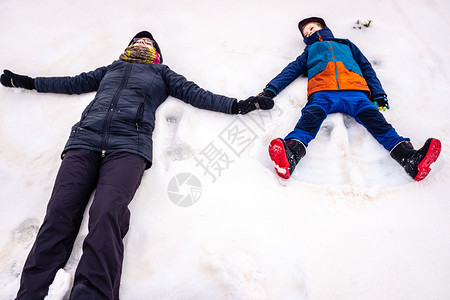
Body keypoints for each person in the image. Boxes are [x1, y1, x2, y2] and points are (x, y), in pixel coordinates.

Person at [1, 31, 274, 300]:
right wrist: (27, 82)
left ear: (156, 52)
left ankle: (92, 293)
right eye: (137, 40)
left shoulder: (163, 73)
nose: (142, 42)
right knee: (59, 213)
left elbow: (197, 94)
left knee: (108, 211)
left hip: (129, 147)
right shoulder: (112, 68)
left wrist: (239, 105)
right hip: (83, 142)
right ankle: (30, 293)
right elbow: (72, 83)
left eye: (147, 41)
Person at [254, 17, 441, 181]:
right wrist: (270, 91)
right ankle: (291, 155)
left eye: (312, 27)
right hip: (323, 91)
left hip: (355, 91)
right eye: (306, 31)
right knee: (310, 118)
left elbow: (366, 67)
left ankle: (410, 160)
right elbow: (291, 70)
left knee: (378, 123)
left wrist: (378, 94)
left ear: (323, 28)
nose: (310, 31)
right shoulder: (310, 51)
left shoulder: (346, 44)